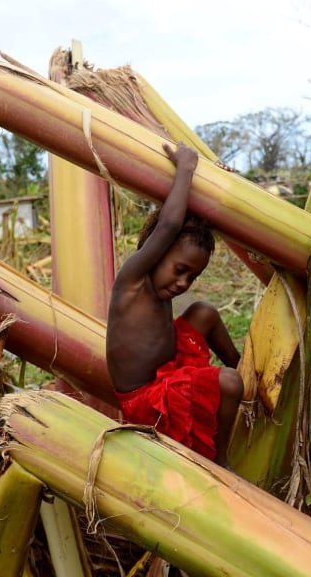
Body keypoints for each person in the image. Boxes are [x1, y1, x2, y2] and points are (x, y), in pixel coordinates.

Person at [106, 142, 243, 467]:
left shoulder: (158, 281)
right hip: (148, 400)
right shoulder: (134, 278)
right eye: (180, 271)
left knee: (203, 313)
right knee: (228, 383)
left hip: (167, 370)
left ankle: (243, 373)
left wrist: (214, 183)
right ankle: (219, 458)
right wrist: (186, 167)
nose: (183, 284)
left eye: (192, 277)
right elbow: (169, 224)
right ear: (155, 251)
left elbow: (183, 223)